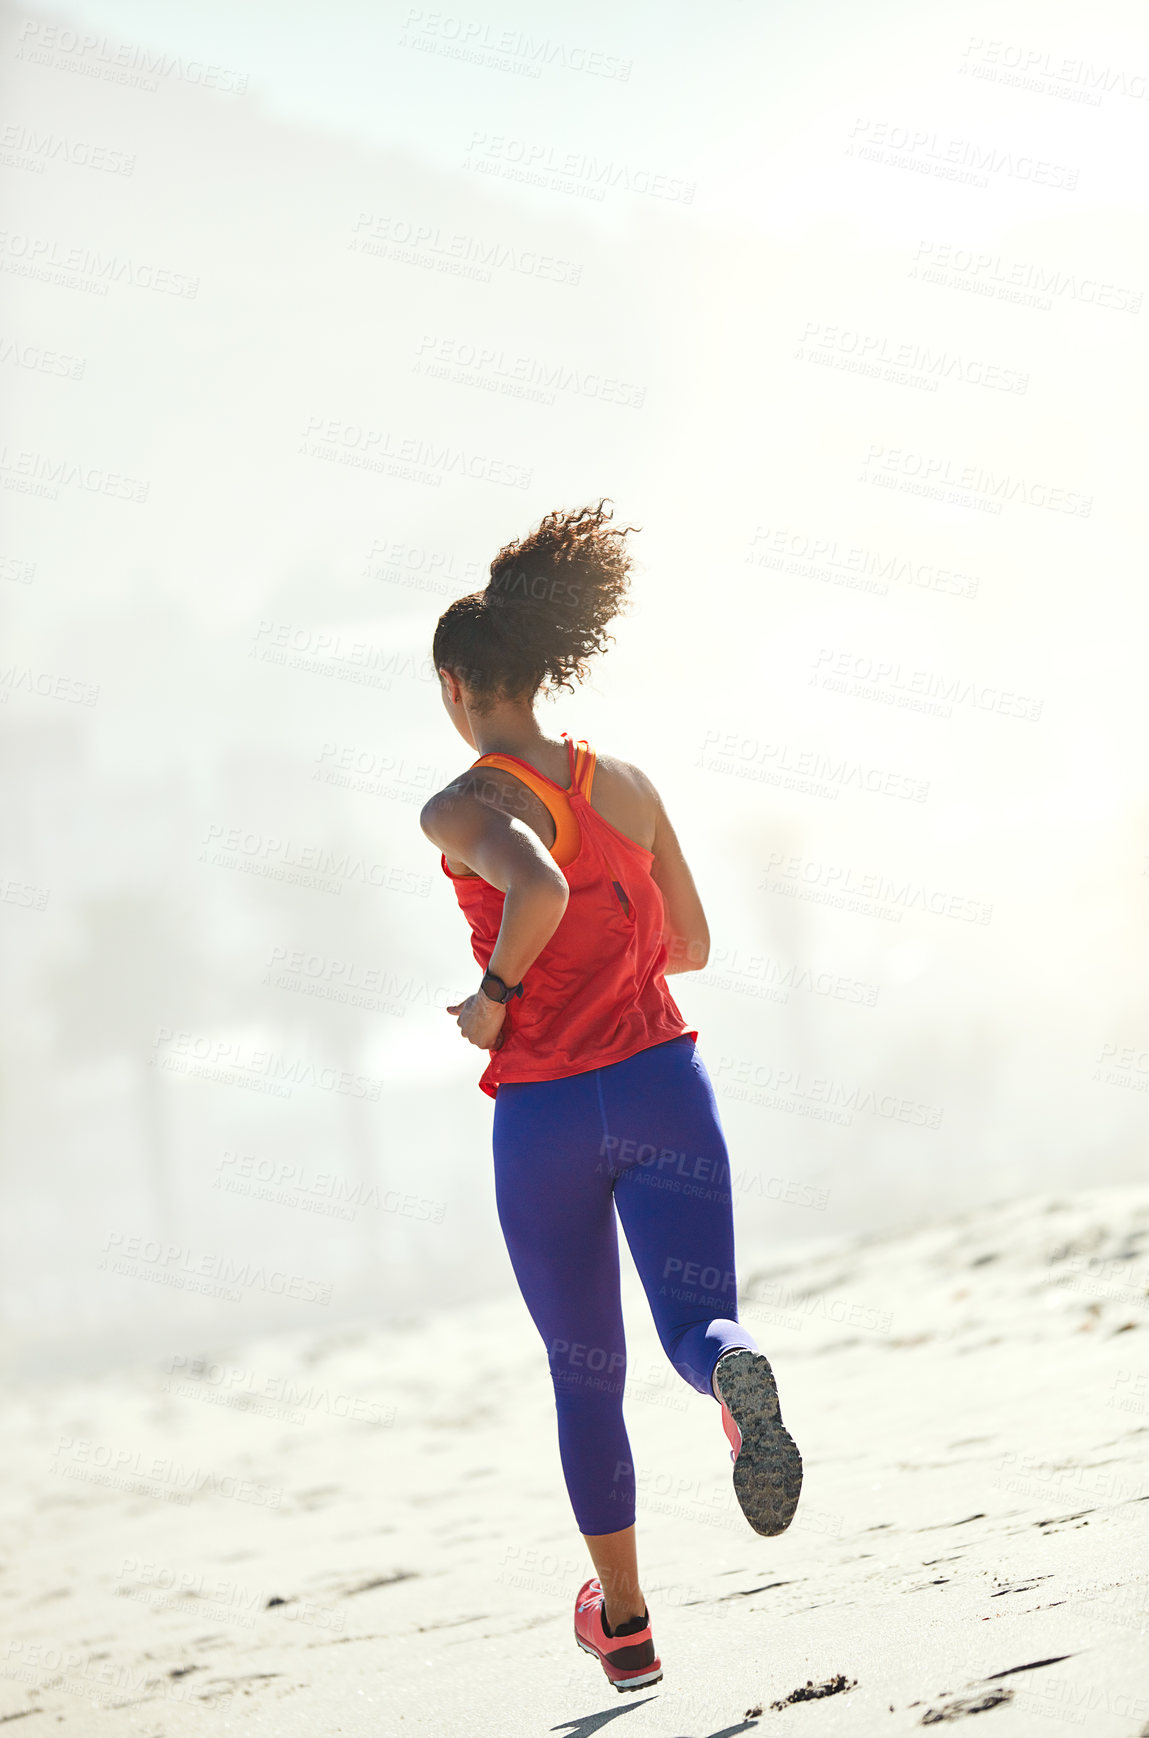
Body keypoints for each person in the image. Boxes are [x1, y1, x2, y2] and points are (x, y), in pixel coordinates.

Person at [420, 501, 802, 1693]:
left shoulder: (458, 804)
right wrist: (617, 948)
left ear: (455, 687)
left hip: (542, 1117)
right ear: (540, 671)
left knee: (586, 1370)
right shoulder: (626, 784)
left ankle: (625, 1622)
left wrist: (496, 991)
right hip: (660, 1087)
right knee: (698, 1328)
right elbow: (689, 941)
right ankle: (736, 1381)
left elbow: (528, 882)